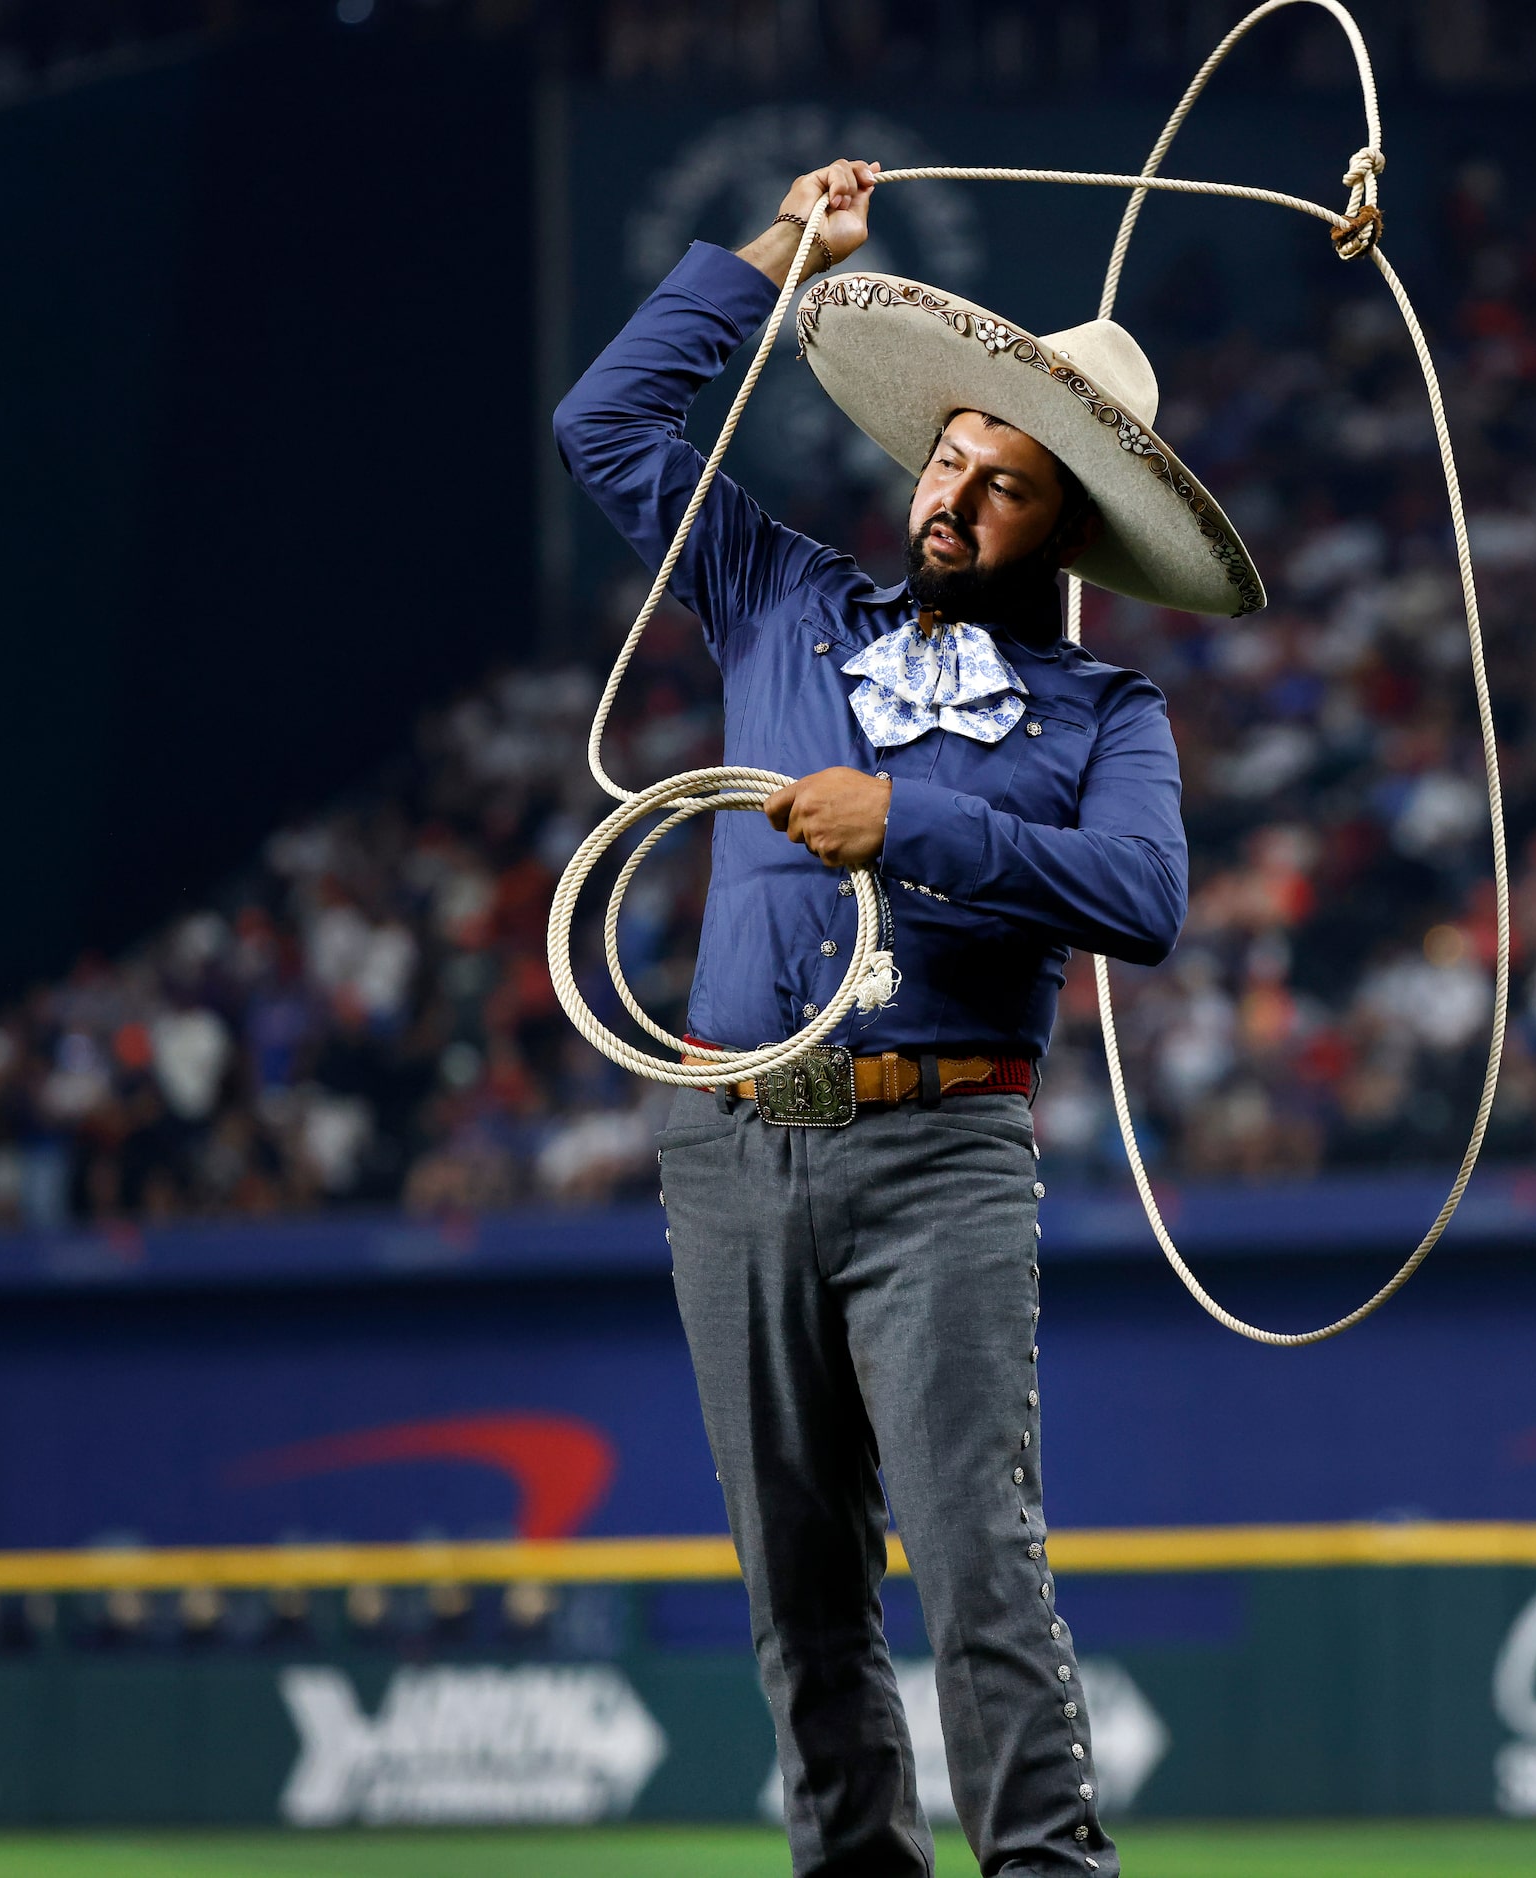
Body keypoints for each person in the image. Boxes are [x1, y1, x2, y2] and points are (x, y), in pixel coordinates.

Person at [555, 158, 1262, 1877]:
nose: (955, 497)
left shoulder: (1108, 707)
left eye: (1005, 487)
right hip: (728, 1144)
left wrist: (912, 824)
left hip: (942, 1152)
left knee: (978, 1572)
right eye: (951, 456)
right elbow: (609, 424)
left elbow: (1143, 901)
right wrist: (779, 251)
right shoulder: (786, 596)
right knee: (797, 1598)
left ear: (1067, 530)